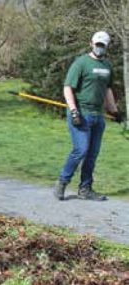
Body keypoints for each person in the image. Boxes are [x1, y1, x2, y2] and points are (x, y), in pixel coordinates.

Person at [54, 31, 123, 201]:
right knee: (80, 150)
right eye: (97, 44)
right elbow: (68, 87)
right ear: (91, 43)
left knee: (92, 154)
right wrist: (73, 111)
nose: (99, 48)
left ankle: (85, 189)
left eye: (102, 46)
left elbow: (107, 90)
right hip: (80, 114)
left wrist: (114, 110)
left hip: (97, 116)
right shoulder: (81, 63)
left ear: (106, 47)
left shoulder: (107, 66)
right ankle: (62, 182)